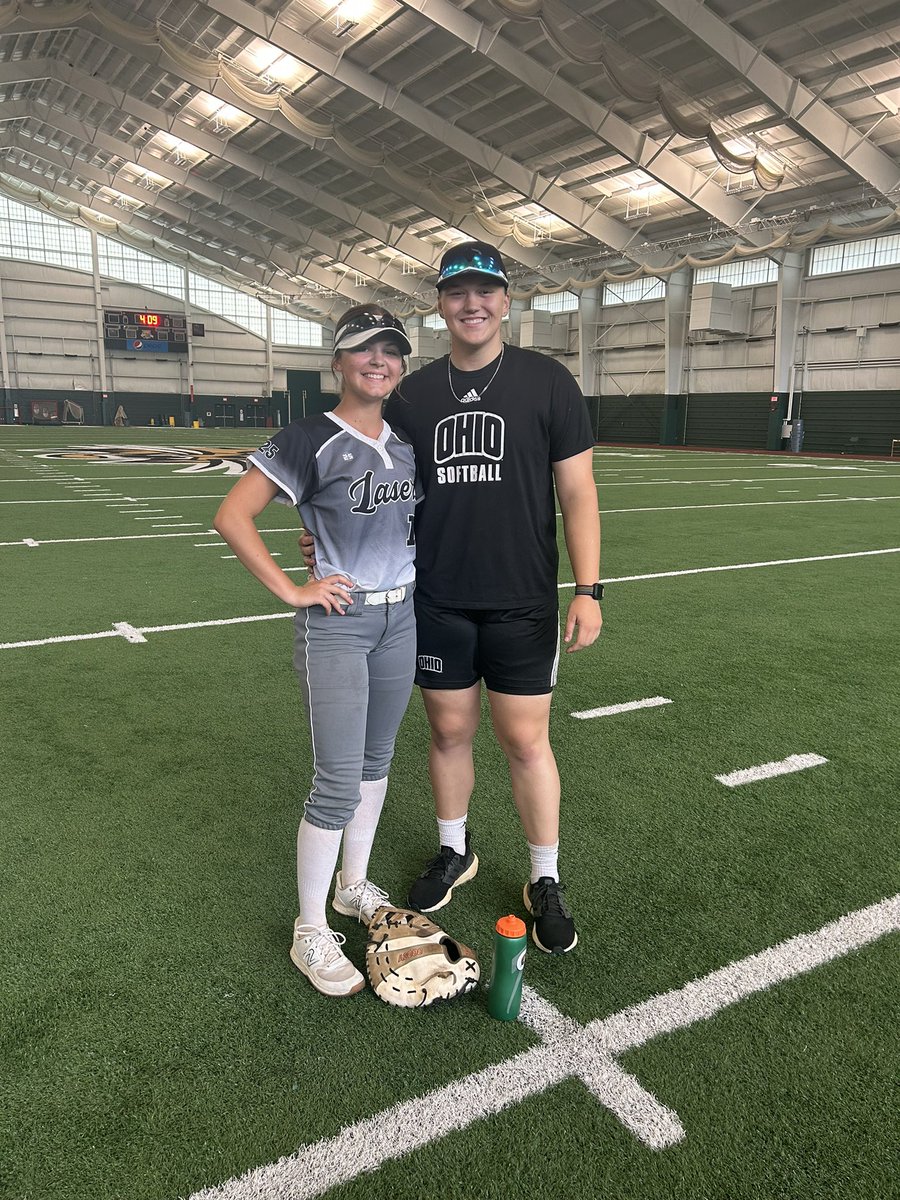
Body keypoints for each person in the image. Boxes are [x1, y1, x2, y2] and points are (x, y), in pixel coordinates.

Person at [306, 241, 602, 954]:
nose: (472, 303)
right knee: (447, 733)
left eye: (485, 291)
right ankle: (455, 849)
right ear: (440, 304)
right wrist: (329, 542)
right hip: (435, 598)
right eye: (457, 292)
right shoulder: (413, 395)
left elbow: (578, 490)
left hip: (522, 599)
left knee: (527, 742)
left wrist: (589, 588)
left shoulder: (548, 381)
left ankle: (544, 876)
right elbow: (372, 483)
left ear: (505, 300)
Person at [214, 305, 417, 997]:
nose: (378, 362)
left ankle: (352, 888)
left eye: (391, 351)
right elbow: (231, 515)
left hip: (402, 618)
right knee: (335, 780)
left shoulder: (406, 437)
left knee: (376, 761)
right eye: (365, 350)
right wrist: (293, 589)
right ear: (338, 361)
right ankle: (310, 932)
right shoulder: (308, 437)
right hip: (340, 621)